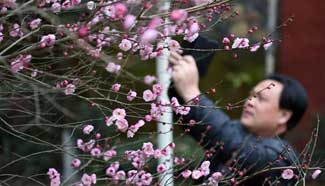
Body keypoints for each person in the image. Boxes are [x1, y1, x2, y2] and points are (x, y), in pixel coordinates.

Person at [168, 38, 308, 185]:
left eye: (261, 98)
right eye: (251, 95)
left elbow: (233, 145)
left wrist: (192, 93)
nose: (249, 102)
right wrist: (180, 82)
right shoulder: (237, 132)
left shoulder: (283, 161)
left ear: (284, 116)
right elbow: (191, 120)